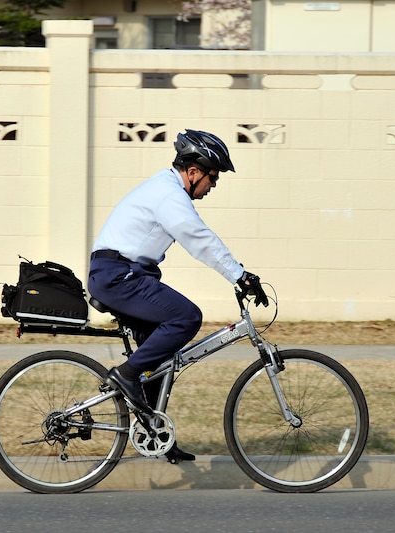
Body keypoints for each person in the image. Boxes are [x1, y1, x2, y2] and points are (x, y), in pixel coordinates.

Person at [88, 129, 268, 462]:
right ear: (194, 171)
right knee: (186, 317)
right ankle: (125, 375)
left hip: (120, 275)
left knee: (159, 361)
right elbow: (198, 237)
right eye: (213, 177)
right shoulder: (169, 195)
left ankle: (156, 436)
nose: (213, 184)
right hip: (117, 277)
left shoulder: (166, 189)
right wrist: (240, 276)